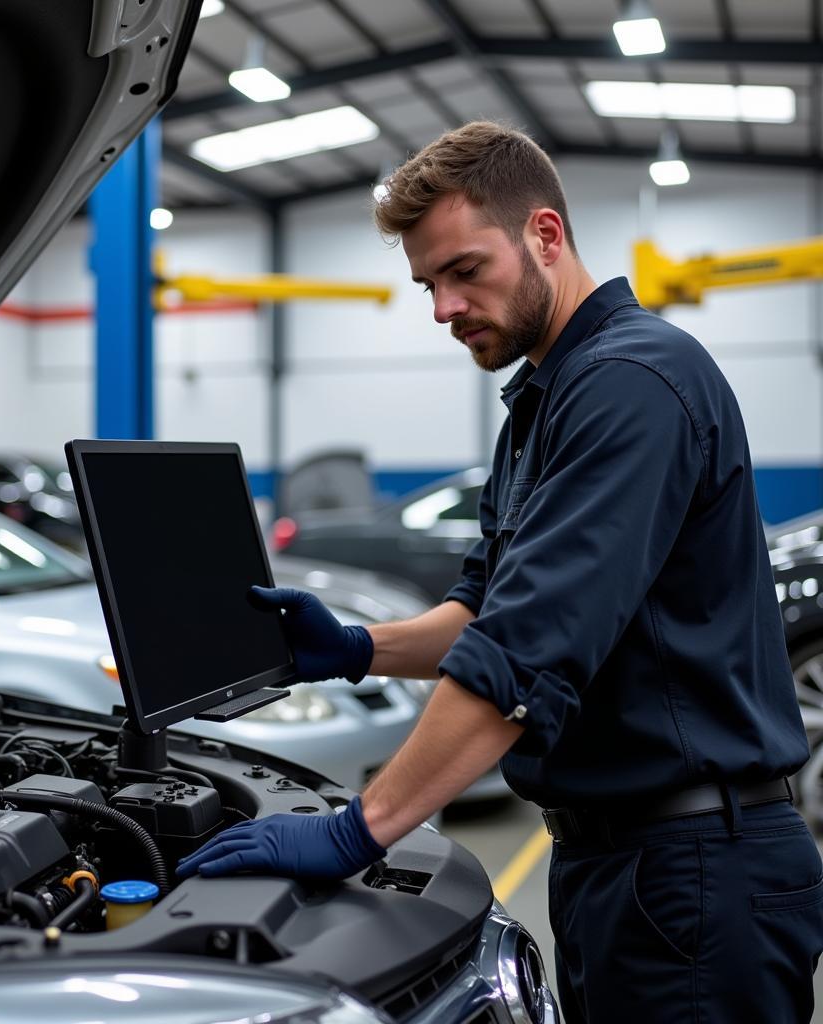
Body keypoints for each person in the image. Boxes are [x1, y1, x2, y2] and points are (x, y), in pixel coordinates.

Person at [177, 121, 823, 1022]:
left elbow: (520, 656)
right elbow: (482, 611)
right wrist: (358, 646)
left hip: (696, 866)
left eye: (465, 270)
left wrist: (355, 830)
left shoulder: (634, 381)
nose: (443, 307)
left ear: (545, 236)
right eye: (427, 284)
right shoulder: (543, 400)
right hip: (618, 863)